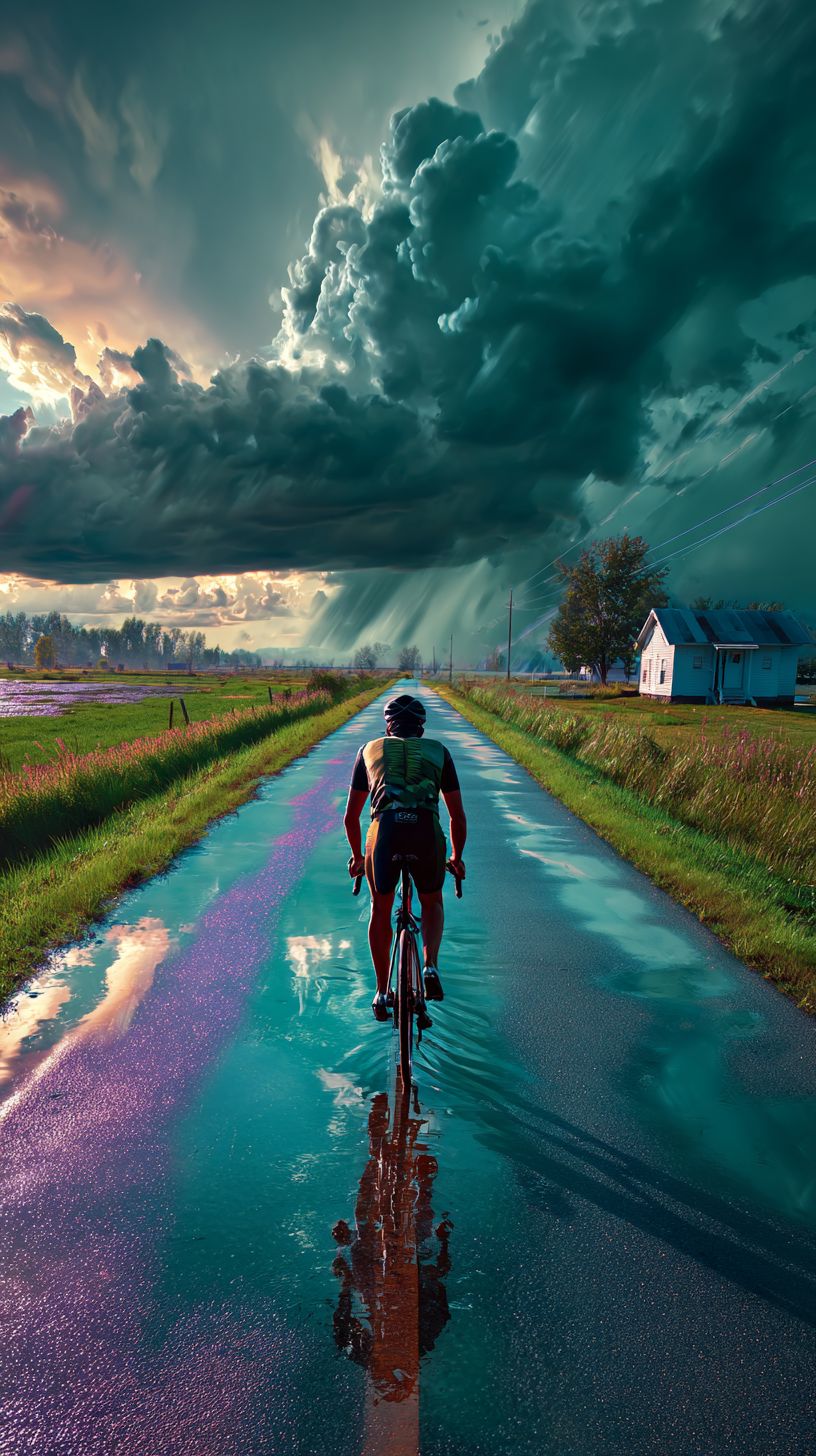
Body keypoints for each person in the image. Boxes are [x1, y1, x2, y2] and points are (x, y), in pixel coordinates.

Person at [343, 693, 466, 1022]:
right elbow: (457, 816)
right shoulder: (440, 752)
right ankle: (429, 965)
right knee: (432, 901)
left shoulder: (369, 750)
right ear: (422, 727)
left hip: (385, 833)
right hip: (426, 832)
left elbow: (350, 817)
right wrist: (456, 856)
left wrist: (357, 857)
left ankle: (383, 990)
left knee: (380, 908)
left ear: (388, 726)